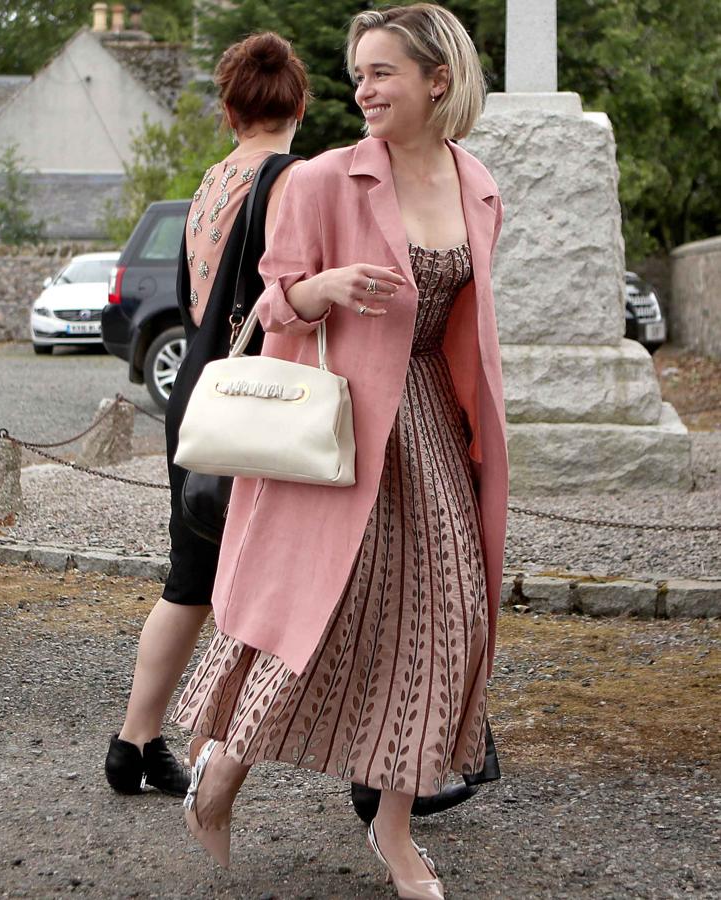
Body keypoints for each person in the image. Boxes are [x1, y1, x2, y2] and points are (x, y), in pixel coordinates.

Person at [172, 6, 508, 899]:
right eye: (357, 73)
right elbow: (269, 302)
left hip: (432, 426)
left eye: (381, 72)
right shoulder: (322, 178)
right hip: (335, 433)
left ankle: (395, 832)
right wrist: (321, 286)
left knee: (445, 622)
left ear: (438, 79)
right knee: (307, 619)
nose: (361, 89)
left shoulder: (477, 184)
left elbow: (464, 328)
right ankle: (222, 772)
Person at [103, 33, 308, 796]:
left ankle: (134, 741)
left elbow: (200, 304)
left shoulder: (208, 183)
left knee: (188, 575)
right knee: (292, 574)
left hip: (198, 390)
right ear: (299, 105)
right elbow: (290, 297)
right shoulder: (291, 177)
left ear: (227, 110)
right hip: (259, 396)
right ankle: (369, 769)